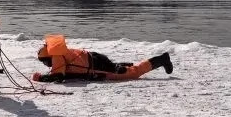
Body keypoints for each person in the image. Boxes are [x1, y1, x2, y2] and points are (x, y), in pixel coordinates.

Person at [31, 34, 173, 82]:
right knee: (121, 68)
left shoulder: (57, 56)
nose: (45, 65)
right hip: (95, 58)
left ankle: (162, 60)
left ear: (50, 56)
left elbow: (58, 77)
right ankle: (120, 66)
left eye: (44, 62)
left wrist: (40, 78)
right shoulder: (59, 51)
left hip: (97, 66)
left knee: (133, 73)